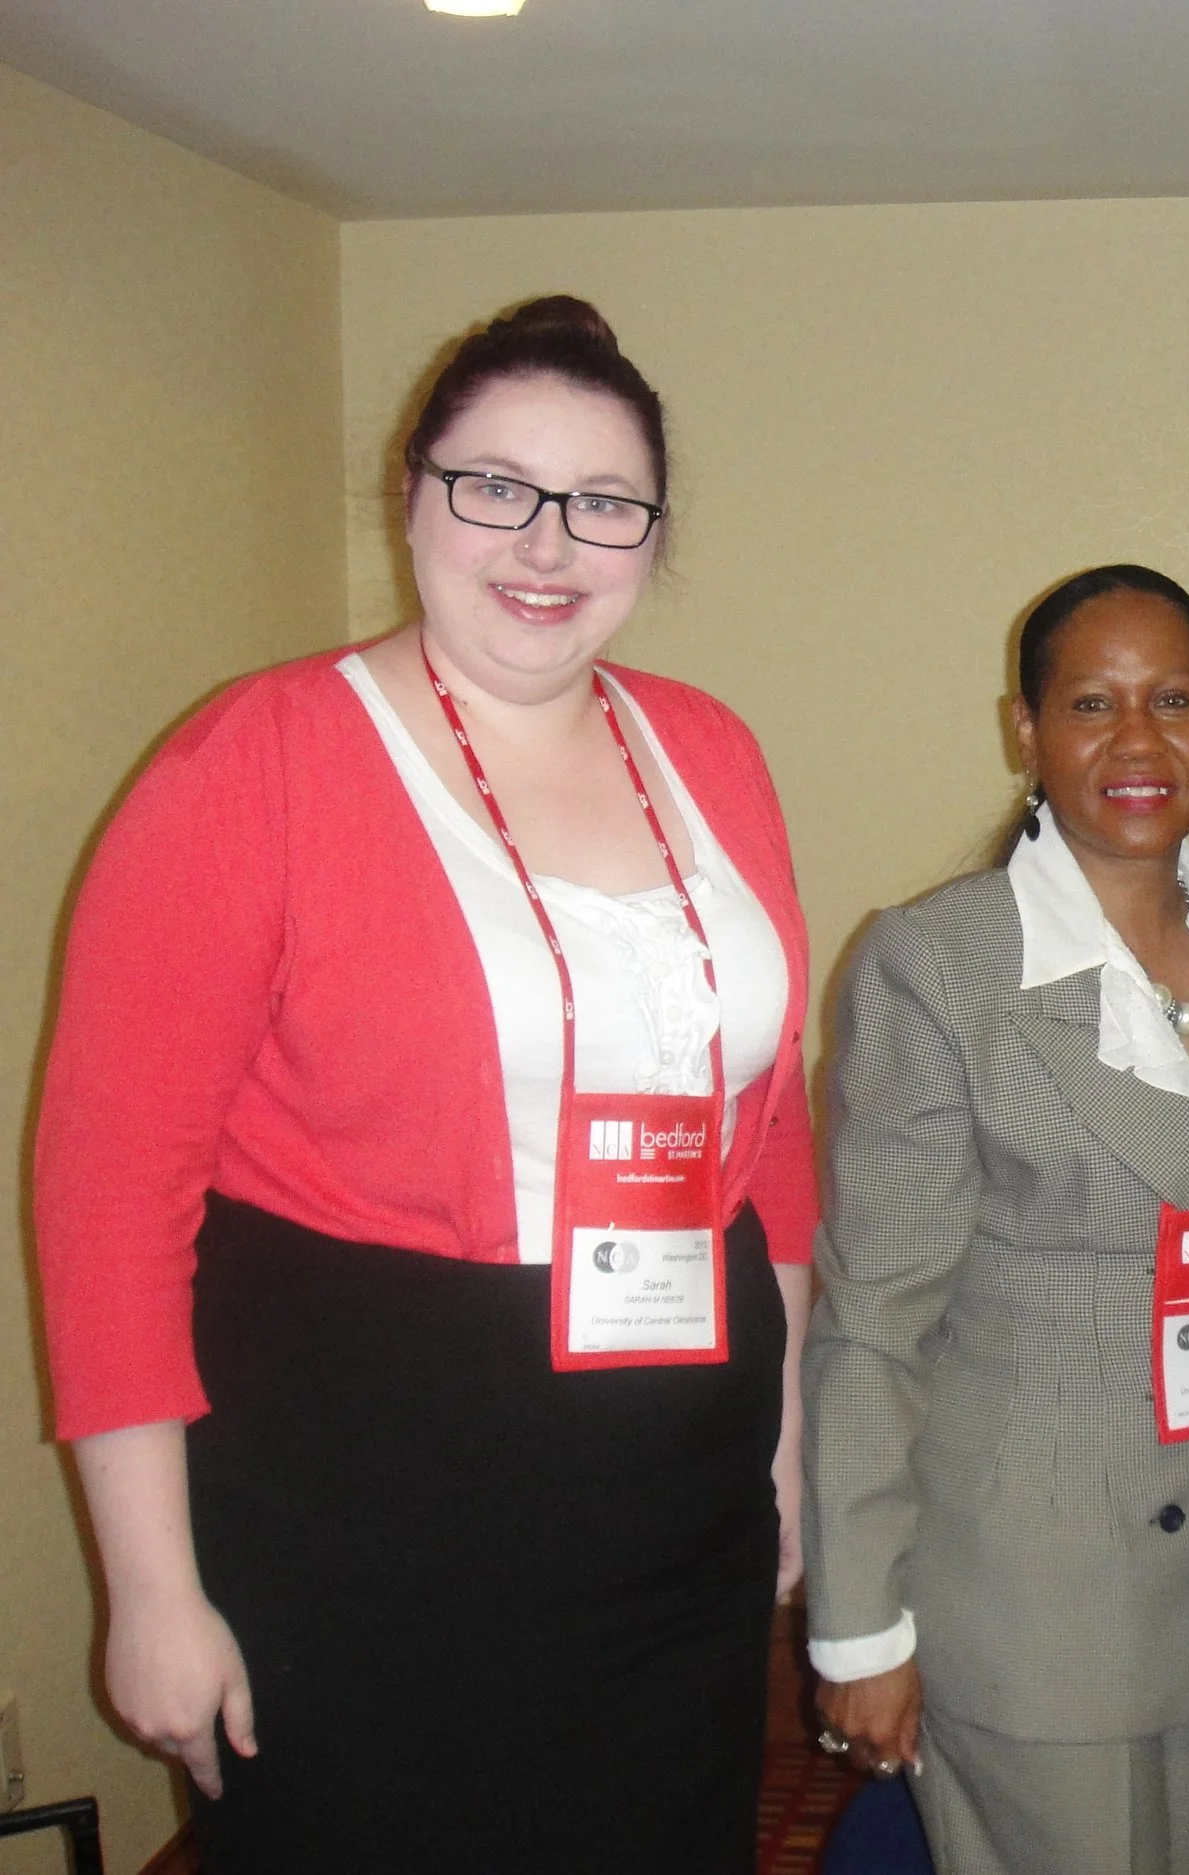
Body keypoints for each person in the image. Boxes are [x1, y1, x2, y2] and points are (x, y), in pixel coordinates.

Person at [35, 296, 817, 1872]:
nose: (547, 542)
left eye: (604, 502)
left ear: (653, 535)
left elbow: (769, 1133)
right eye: (495, 485)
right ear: (413, 491)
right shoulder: (252, 761)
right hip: (360, 1499)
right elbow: (107, 1195)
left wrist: (783, 1448)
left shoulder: (711, 750)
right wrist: (154, 1590)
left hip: (676, 1494)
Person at [804, 565, 1189, 1875]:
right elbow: (874, 1319)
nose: (1138, 741)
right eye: (1091, 702)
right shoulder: (938, 963)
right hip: (1036, 1594)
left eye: (1173, 700)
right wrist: (861, 1624)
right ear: (1024, 731)